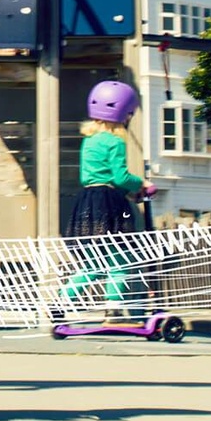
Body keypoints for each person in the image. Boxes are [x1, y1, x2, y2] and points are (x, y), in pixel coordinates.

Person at [63, 81, 154, 315]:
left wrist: (128, 191)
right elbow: (120, 176)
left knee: (93, 262)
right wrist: (142, 184)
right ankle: (113, 309)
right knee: (120, 258)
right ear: (126, 113)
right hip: (109, 205)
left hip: (88, 202)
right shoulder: (115, 141)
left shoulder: (90, 140)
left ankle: (61, 301)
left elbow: (92, 175)